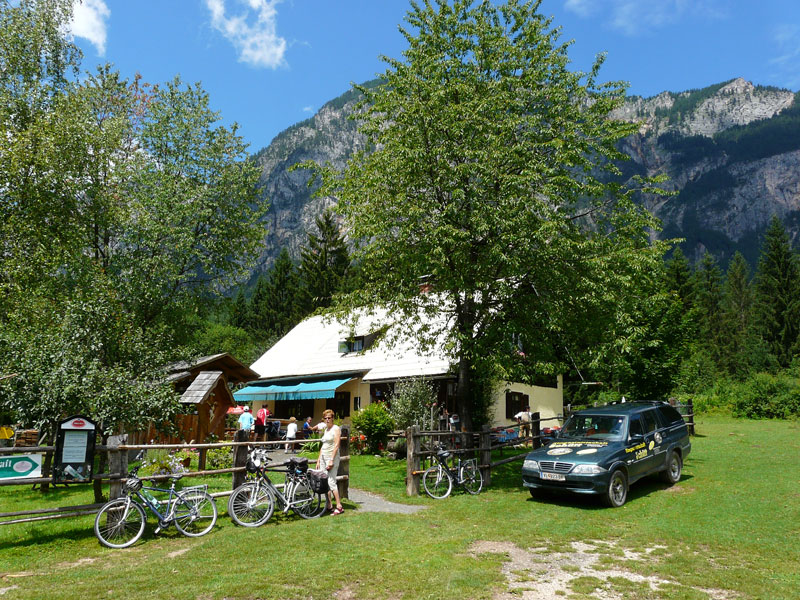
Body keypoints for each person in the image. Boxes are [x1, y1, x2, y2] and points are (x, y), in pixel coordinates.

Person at [315, 409, 343, 515]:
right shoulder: (326, 430)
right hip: (323, 457)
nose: (327, 420)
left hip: (331, 458)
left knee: (331, 481)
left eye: (329, 418)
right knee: (325, 482)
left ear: (332, 418)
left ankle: (339, 506)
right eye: (325, 418)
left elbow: (336, 445)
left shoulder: (336, 429)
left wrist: (331, 459)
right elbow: (323, 446)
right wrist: (318, 460)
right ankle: (329, 504)